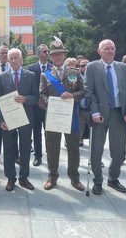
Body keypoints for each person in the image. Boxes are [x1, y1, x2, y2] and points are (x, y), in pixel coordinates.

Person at [85, 39, 126, 195]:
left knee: (119, 151)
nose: (109, 51)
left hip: (118, 114)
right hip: (99, 115)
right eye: (106, 48)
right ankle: (97, 181)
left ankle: (113, 178)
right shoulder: (92, 67)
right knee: (96, 150)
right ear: (99, 51)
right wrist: (94, 112)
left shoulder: (123, 68)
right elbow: (88, 91)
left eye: (112, 48)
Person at [40, 40, 85, 191]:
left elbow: (83, 91)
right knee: (52, 148)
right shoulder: (45, 75)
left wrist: (72, 96)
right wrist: (51, 103)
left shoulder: (75, 73)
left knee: (73, 148)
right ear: (50, 57)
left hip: (71, 116)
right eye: (54, 54)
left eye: (60, 53)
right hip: (53, 117)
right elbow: (42, 94)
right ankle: (52, 177)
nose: (57, 56)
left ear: (64, 55)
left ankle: (74, 177)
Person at [0, 48, 38, 192]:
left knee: (25, 149)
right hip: (8, 120)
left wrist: (25, 99)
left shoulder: (31, 75)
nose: (13, 60)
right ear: (7, 61)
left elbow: (36, 97)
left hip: (26, 119)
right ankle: (10, 178)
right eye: (11, 58)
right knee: (8, 149)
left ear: (21, 59)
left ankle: (24, 177)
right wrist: (1, 119)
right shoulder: (1, 77)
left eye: (16, 58)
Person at [27, 44, 52, 167]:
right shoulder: (31, 68)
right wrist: (38, 100)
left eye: (48, 51)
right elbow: (30, 88)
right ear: (38, 54)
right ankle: (38, 156)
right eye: (44, 51)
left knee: (50, 132)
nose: (47, 53)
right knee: (36, 131)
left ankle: (51, 155)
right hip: (36, 106)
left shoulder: (53, 68)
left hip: (51, 106)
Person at [78, 58, 90, 146]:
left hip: (92, 109)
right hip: (80, 109)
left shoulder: (94, 77)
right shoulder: (76, 78)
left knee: (95, 135)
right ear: (79, 67)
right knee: (79, 132)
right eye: (82, 66)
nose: (85, 68)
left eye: (87, 65)